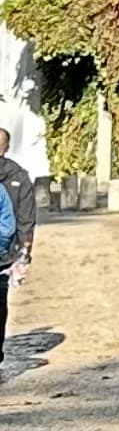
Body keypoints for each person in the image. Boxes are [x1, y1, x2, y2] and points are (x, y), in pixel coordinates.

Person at [0, 128, 32, 365]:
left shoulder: (18, 176)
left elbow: (23, 217)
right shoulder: (18, 176)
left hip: (4, 254)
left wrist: (25, 249)